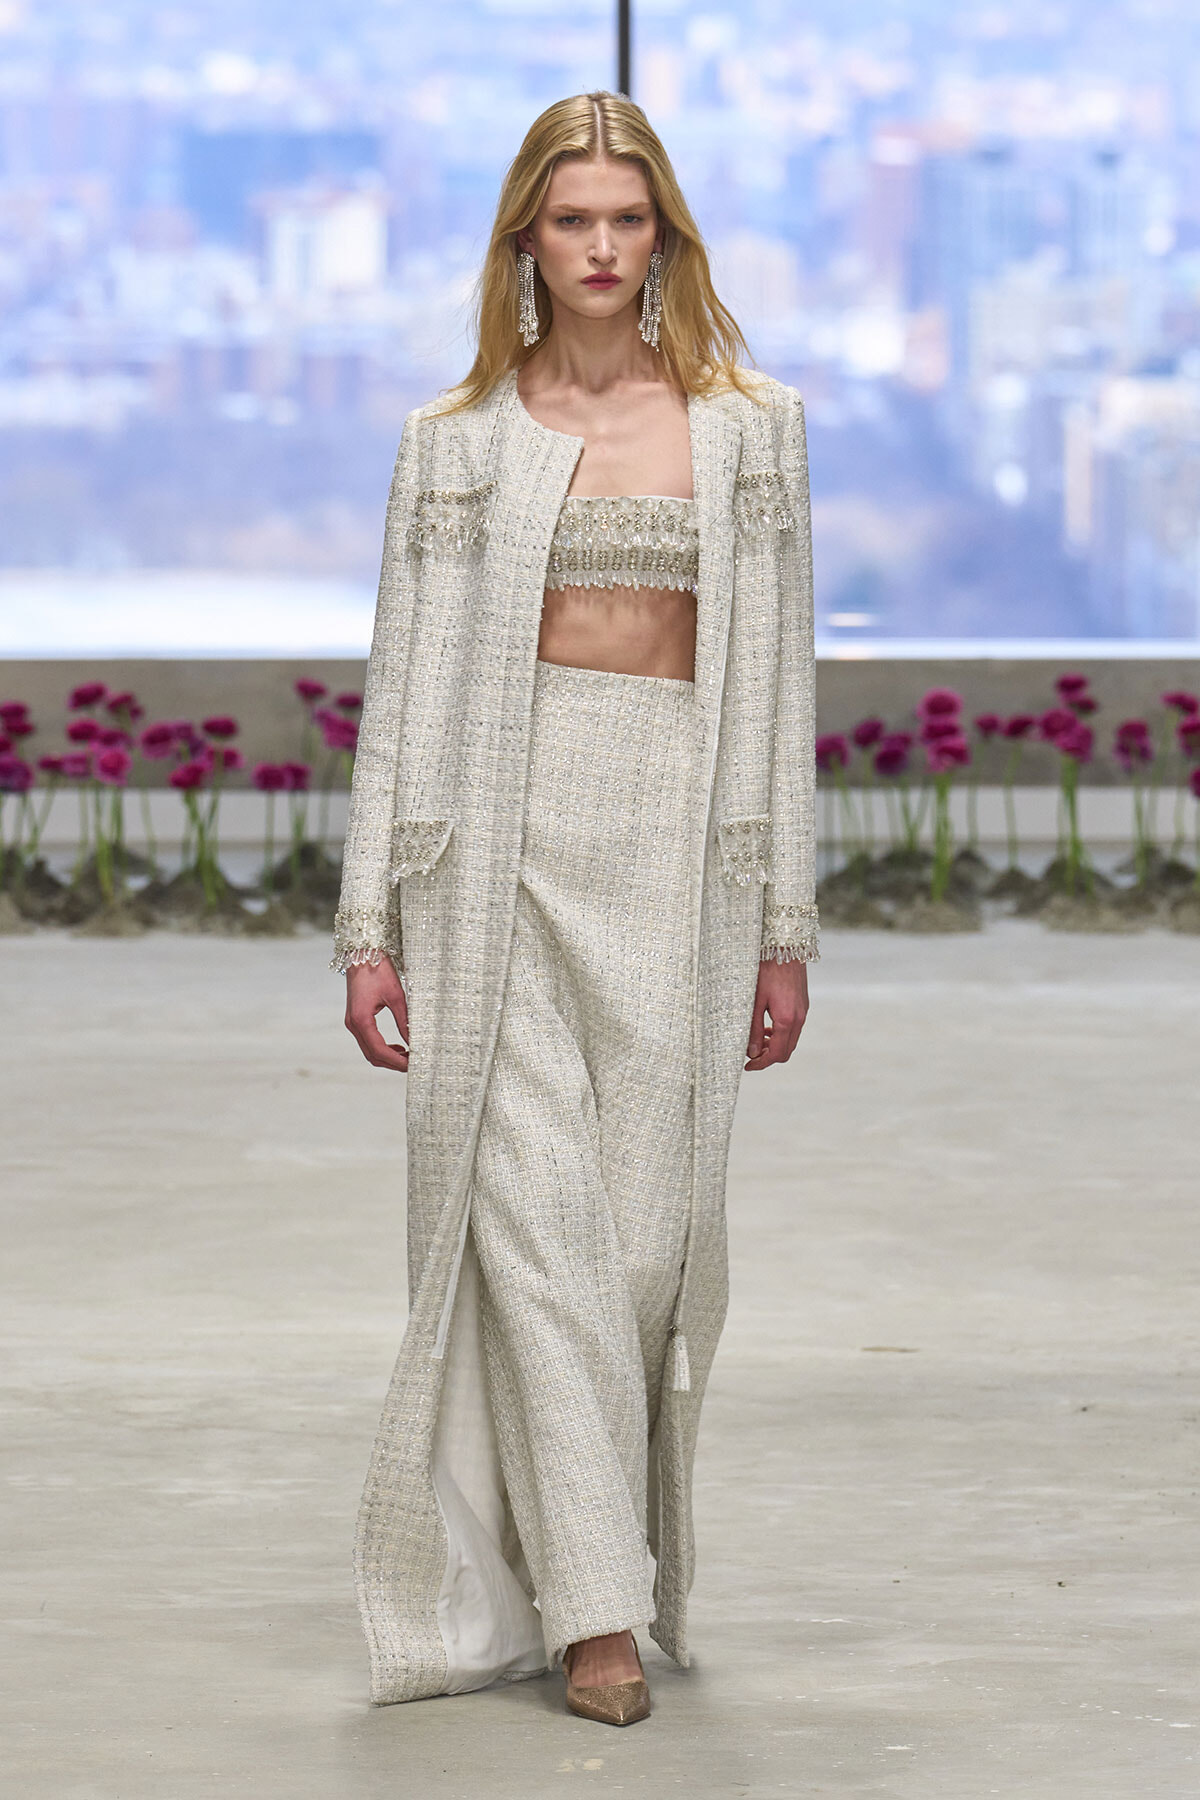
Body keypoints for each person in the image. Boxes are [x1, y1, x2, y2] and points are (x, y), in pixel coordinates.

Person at [332, 89, 818, 1726]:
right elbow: (401, 691)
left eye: (628, 220)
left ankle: (578, 1557)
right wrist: (368, 925)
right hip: (495, 866)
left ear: (663, 235)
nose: (601, 249)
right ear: (524, 242)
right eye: (570, 221)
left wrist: (784, 929)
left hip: (683, 857)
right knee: (533, 1244)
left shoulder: (753, 430)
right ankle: (598, 1620)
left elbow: (777, 690)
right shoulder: (453, 446)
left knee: (641, 1254)